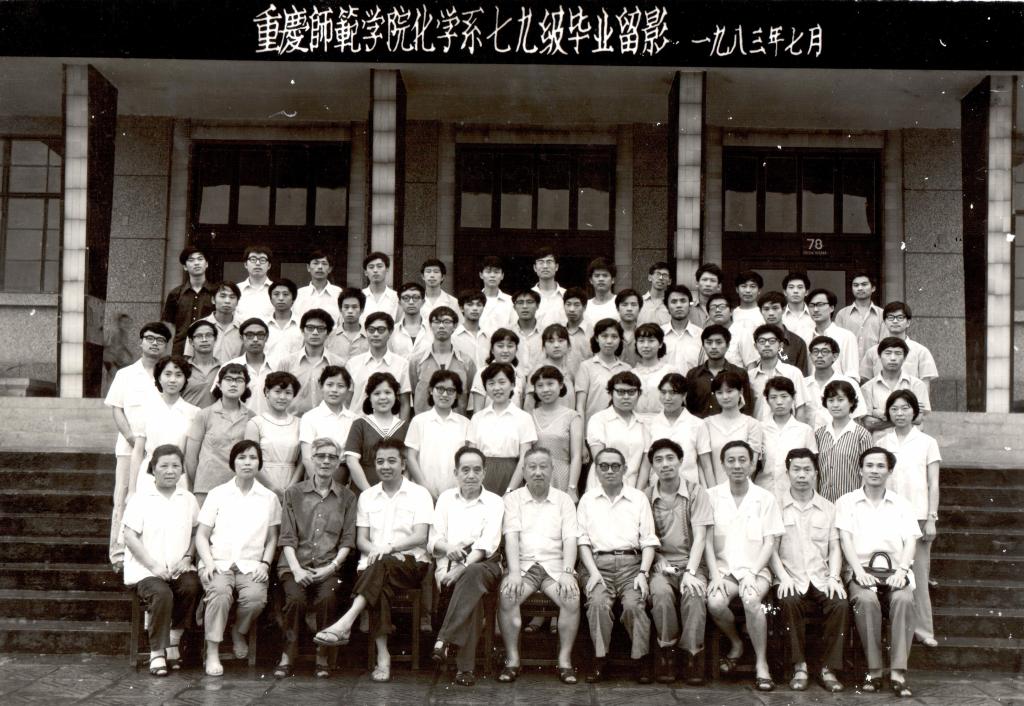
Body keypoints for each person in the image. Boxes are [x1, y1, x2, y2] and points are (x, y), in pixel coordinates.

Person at [313, 439, 434, 684]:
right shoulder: (367, 496)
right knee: (380, 581)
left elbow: (421, 536)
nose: (385, 466)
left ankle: (346, 623)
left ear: (403, 464)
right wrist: (380, 552)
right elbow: (362, 540)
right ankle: (383, 655)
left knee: (380, 568)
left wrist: (390, 548)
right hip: (376, 565)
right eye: (380, 461)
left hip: (410, 563)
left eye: (391, 461)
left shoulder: (420, 494)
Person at [836, 447, 921, 698]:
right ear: (860, 470)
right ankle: (874, 671)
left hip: (895, 570)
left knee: (903, 599)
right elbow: (845, 540)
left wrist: (902, 571)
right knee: (866, 600)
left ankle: (898, 673)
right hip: (861, 570)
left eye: (881, 466)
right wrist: (858, 572)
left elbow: (911, 540)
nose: (875, 471)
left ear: (890, 471)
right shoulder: (846, 502)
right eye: (869, 465)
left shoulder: (901, 504)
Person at [195, 439, 282, 677]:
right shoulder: (218, 494)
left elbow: (272, 538)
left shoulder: (269, 498)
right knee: (220, 593)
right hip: (218, 562)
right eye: (242, 458)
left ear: (259, 463)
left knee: (255, 599)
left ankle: (238, 631)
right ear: (233, 462)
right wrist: (208, 563)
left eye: (253, 458)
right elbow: (201, 535)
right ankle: (212, 652)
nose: (247, 462)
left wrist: (265, 564)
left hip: (251, 565)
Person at [705, 440, 784, 692]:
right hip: (724, 570)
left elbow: (769, 542)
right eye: (731, 460)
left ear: (752, 464)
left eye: (742, 460)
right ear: (723, 464)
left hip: (756, 569)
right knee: (715, 603)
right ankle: (737, 642)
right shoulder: (711, 496)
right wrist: (715, 575)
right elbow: (706, 541)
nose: (737, 465)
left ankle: (761, 663)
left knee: (751, 600)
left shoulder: (765, 498)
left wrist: (752, 572)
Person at [498, 447, 582, 685]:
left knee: (572, 598)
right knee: (507, 594)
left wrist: (568, 572)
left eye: (543, 466)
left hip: (555, 567)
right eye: (532, 467)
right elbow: (511, 537)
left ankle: (564, 661)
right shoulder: (513, 499)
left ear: (552, 470)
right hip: (524, 566)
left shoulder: (564, 500)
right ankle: (512, 660)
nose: (538, 472)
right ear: (524, 471)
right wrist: (514, 572)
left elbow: (570, 539)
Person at [274, 437, 356, 679]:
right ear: (312, 459)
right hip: (294, 566)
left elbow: (348, 540)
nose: (326, 461)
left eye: (332, 457)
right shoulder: (293, 493)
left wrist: (331, 567)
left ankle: (323, 656)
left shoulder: (347, 497)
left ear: (339, 462)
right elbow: (287, 537)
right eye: (321, 456)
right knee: (295, 600)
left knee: (327, 599)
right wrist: (297, 570)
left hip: (329, 567)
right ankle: (288, 655)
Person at [576, 448, 660, 683]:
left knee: (634, 605)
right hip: (597, 565)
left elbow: (648, 540)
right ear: (596, 470)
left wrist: (643, 573)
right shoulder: (588, 500)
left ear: (624, 469)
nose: (610, 471)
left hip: (631, 566)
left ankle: (641, 660)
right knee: (597, 603)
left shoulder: (638, 498)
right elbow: (582, 541)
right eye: (603, 466)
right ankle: (599, 659)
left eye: (615, 466)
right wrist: (593, 573)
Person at [769, 448, 848, 693]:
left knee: (840, 603)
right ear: (788, 473)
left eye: (807, 470)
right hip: (789, 575)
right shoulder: (776, 506)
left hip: (821, 576)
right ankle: (800, 666)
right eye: (796, 469)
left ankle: (828, 668)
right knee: (789, 600)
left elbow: (835, 548)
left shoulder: (829, 508)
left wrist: (834, 577)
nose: (801, 475)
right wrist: (783, 577)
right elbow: (771, 549)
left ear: (815, 473)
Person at [121, 444, 202, 677]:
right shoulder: (141, 499)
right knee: (162, 593)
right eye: (164, 466)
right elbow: (129, 536)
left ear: (182, 470)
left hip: (178, 567)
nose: (170, 471)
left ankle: (174, 641)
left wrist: (188, 557)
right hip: (146, 570)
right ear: (153, 469)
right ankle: (157, 652)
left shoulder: (188, 499)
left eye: (175, 466)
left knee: (192, 586)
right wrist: (154, 566)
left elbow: (197, 532)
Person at [428, 447, 504, 687]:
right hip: (449, 563)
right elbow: (434, 539)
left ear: (484, 473)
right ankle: (465, 669)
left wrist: (461, 567)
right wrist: (449, 547)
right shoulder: (445, 499)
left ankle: (443, 638)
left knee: (471, 573)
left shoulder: (495, 502)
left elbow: (487, 544)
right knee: (472, 592)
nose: (471, 475)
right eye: (465, 470)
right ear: (456, 473)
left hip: (485, 564)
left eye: (477, 470)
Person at [645, 439, 714, 685]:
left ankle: (693, 654)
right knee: (661, 594)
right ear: (652, 466)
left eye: (670, 458)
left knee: (694, 594)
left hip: (691, 562)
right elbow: (645, 537)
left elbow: (701, 537)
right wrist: (659, 559)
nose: (665, 464)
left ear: (681, 461)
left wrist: (690, 572)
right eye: (658, 460)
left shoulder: (696, 492)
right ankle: (667, 651)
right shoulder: (646, 496)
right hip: (661, 564)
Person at [878, 390, 941, 649]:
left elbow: (933, 483)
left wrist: (931, 518)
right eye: (894, 409)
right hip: (888, 516)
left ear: (914, 411)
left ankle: (924, 630)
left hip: (918, 517)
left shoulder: (927, 442)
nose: (900, 413)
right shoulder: (882, 442)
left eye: (905, 408)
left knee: (919, 575)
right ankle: (893, 629)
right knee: (890, 573)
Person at [105, 320, 168, 567]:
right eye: (150, 338)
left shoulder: (169, 374)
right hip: (128, 448)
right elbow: (117, 409)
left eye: (160, 340)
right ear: (141, 342)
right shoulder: (126, 375)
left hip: (160, 451)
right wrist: (131, 437)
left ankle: (147, 553)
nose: (154, 344)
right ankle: (118, 553)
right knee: (123, 496)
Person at [129, 355, 200, 497]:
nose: (173, 380)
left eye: (178, 375)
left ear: (185, 379)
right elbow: (137, 452)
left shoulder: (194, 413)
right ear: (159, 378)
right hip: (149, 474)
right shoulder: (146, 409)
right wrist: (131, 490)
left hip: (179, 475)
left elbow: (191, 456)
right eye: (167, 374)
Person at [185, 363, 255, 504]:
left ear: (245, 385)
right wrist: (199, 483)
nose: (233, 384)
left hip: (239, 489)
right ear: (219, 384)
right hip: (207, 488)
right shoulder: (204, 415)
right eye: (228, 379)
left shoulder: (252, 417)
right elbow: (191, 458)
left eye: (239, 380)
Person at [467, 362, 537, 494]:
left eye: (502, 382)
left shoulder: (524, 418)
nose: (496, 388)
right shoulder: (477, 418)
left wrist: (510, 490)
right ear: (485, 387)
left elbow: (525, 458)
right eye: (491, 383)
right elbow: (471, 456)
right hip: (481, 476)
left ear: (512, 384)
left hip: (512, 475)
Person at [406, 370, 471, 499]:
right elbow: (411, 457)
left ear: (457, 395)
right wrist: (424, 486)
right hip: (422, 492)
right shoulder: (418, 421)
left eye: (451, 390)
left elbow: (469, 460)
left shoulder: (465, 424)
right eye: (440, 389)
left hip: (456, 493)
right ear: (431, 390)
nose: (445, 394)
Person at [585, 371, 651, 491]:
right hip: (602, 485)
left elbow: (645, 464)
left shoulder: (644, 423)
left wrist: (638, 492)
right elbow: (600, 460)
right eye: (620, 392)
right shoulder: (599, 419)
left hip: (633, 486)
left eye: (631, 392)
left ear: (639, 394)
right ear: (611, 393)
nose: (626, 397)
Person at [344, 372, 408, 491]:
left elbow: (408, 465)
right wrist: (369, 493)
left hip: (397, 494)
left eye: (388, 392)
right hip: (363, 492)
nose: (382, 397)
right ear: (369, 398)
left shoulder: (405, 427)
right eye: (377, 393)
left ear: (395, 396)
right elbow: (351, 461)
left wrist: (400, 491)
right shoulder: (360, 424)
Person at [527, 366, 584, 499]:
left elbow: (576, 456)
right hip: (535, 475)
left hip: (562, 477)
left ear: (561, 385)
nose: (545, 389)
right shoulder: (529, 416)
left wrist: (572, 487)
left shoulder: (572, 416)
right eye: (540, 385)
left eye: (550, 384)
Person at [647, 373, 713, 487]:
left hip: (689, 488)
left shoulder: (697, 424)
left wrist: (713, 492)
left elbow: (706, 465)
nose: (667, 398)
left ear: (684, 395)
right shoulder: (651, 424)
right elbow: (646, 464)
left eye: (673, 393)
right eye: (663, 392)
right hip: (658, 488)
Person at [275, 309, 345, 416]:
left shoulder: (338, 364)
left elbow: (343, 397)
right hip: (294, 421)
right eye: (310, 328)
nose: (315, 332)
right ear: (302, 330)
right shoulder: (286, 363)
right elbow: (277, 395)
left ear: (327, 333)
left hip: (327, 421)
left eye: (320, 329)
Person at [244, 371, 302, 498]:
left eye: (288, 393)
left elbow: (301, 462)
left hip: (291, 484)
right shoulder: (255, 423)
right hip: (261, 483)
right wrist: (272, 487)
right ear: (267, 392)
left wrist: (292, 486)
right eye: (277, 391)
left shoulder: (300, 423)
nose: (282, 397)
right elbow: (250, 459)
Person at [758, 377, 817, 504]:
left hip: (795, 495)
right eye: (773, 397)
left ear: (793, 398)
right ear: (767, 400)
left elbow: (812, 469)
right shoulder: (759, 428)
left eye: (784, 396)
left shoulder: (805, 430)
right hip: (763, 492)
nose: (779, 402)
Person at [346, 312, 412, 419]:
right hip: (358, 423)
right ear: (366, 332)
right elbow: (346, 401)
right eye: (371, 330)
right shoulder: (353, 364)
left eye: (381, 330)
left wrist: (401, 427)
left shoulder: (402, 364)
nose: (375, 334)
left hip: (390, 426)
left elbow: (405, 403)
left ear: (390, 332)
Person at [815, 380, 872, 503]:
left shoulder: (862, 435)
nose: (835, 405)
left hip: (851, 504)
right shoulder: (819, 434)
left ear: (851, 402)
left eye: (840, 400)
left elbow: (867, 472)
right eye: (831, 400)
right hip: (824, 502)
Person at [298, 365, 358, 483]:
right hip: (315, 475)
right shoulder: (310, 417)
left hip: (345, 476)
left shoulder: (354, 419)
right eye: (329, 385)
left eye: (340, 386)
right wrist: (320, 485)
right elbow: (307, 458)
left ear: (348, 389)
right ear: (321, 386)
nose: (334, 390)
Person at [410, 306, 475, 414]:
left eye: (446, 322)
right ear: (430, 325)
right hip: (425, 421)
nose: (441, 326)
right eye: (436, 322)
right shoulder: (417, 361)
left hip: (456, 420)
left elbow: (468, 393)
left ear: (455, 326)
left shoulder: (466, 362)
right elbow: (413, 392)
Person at [704, 370, 763, 487]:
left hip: (743, 489)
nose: (725, 397)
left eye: (729, 391)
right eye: (719, 392)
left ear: (740, 391)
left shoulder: (752, 424)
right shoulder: (706, 424)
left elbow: (752, 465)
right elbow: (706, 466)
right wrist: (714, 491)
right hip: (713, 489)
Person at [860, 337, 931, 434]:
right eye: (888, 353)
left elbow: (918, 419)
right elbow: (868, 424)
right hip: (879, 442)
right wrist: (906, 415)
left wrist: (881, 414)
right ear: (880, 356)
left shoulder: (917, 385)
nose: (893, 358)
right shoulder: (867, 388)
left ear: (905, 357)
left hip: (910, 441)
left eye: (898, 353)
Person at [858, 302, 938, 386]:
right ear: (884, 322)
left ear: (908, 322)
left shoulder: (921, 351)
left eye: (900, 317)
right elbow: (866, 384)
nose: (895, 321)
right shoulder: (872, 352)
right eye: (890, 317)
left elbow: (924, 386)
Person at [685, 324, 755, 417]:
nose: (713, 347)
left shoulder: (739, 374)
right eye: (709, 342)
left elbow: (746, 409)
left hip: (731, 425)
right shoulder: (693, 375)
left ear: (727, 345)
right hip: (699, 425)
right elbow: (687, 409)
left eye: (719, 342)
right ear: (703, 345)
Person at [575, 318, 632, 426]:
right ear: (597, 338)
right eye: (604, 336)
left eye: (614, 336)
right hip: (593, 428)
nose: (609, 341)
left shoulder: (627, 369)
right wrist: (581, 433)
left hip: (620, 428)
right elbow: (580, 406)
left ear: (620, 339)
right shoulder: (586, 367)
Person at [748, 323, 809, 423]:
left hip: (787, 430)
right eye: (762, 341)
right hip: (758, 430)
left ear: (780, 345)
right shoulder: (750, 377)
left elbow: (801, 408)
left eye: (772, 341)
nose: (767, 345)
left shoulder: (793, 373)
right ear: (755, 346)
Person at [162, 246, 216, 355]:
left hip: (209, 349)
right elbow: (169, 325)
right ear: (185, 267)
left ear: (206, 264)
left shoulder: (215, 293)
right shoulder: (175, 294)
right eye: (191, 260)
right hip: (180, 351)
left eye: (200, 259)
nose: (196, 263)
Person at [804, 335, 865, 428]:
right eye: (815, 352)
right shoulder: (802, 384)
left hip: (839, 435)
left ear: (835, 356)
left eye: (824, 351)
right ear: (810, 356)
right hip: (808, 436)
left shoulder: (849, 383)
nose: (819, 356)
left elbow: (857, 417)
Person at [222, 317, 275, 416]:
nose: (255, 340)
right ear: (241, 338)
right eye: (249, 335)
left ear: (266, 337)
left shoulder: (278, 366)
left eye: (260, 335)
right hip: (239, 423)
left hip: (271, 423)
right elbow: (218, 398)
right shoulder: (229, 367)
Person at [184, 281, 242, 363]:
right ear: (213, 300)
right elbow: (188, 358)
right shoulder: (197, 327)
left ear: (237, 302)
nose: (227, 301)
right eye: (223, 296)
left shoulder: (243, 328)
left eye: (232, 297)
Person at [806, 288, 859, 377]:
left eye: (820, 305)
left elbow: (852, 373)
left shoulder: (846, 336)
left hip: (838, 385)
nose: (815, 309)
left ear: (832, 308)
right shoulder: (805, 336)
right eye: (811, 305)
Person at [523, 324, 577, 410]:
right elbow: (529, 405)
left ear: (568, 345)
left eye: (561, 340)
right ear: (544, 347)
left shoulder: (570, 371)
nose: (556, 345)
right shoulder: (539, 370)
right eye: (551, 341)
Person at [469, 328, 525, 410]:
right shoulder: (482, 373)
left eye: (510, 346)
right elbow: (477, 411)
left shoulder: (520, 376)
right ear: (492, 350)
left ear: (516, 350)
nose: (505, 350)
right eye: (500, 346)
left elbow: (521, 408)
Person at [834, 272, 885, 361]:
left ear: (873, 288)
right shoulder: (842, 314)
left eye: (864, 284)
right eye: (856, 285)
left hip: (874, 363)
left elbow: (885, 343)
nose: (860, 288)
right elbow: (837, 343)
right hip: (849, 363)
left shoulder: (882, 314)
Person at [758, 291, 810, 374]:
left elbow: (802, 376)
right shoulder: (754, 340)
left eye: (775, 308)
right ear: (761, 311)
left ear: (783, 309)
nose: (771, 313)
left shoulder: (797, 342)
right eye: (766, 309)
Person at [631, 323, 672, 421]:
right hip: (636, 422)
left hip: (663, 422)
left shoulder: (670, 371)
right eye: (641, 341)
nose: (646, 345)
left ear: (660, 344)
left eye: (651, 341)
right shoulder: (631, 373)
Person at [662, 284, 703, 373]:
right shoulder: (658, 335)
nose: (679, 305)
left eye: (683, 301)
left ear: (690, 305)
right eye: (674, 302)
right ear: (667, 307)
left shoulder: (701, 335)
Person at [294, 250, 342, 324]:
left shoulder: (339, 293)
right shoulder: (298, 294)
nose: (320, 267)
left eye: (324, 263)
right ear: (308, 267)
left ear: (330, 269)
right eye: (316, 263)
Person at [181, 319, 220, 408]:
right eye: (199, 336)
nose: (204, 340)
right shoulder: (182, 368)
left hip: (215, 416)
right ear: (191, 342)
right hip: (187, 416)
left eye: (209, 335)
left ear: (215, 339)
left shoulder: (223, 368)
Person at [389, 282, 431, 362]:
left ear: (423, 302)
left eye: (415, 297)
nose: (411, 302)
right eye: (406, 298)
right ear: (399, 302)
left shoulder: (432, 329)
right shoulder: (392, 331)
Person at [264, 278, 303, 361]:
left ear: (293, 298)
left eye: (285, 294)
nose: (281, 298)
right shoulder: (262, 325)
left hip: (294, 368)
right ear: (271, 299)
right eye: (276, 294)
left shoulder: (302, 325)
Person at [326, 288, 369, 361]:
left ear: (362, 310)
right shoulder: (329, 336)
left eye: (354, 307)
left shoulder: (370, 337)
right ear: (340, 309)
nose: (350, 311)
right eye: (346, 307)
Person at [452, 290, 491, 372]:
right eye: (470, 304)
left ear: (483, 308)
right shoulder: (454, 337)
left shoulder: (489, 336)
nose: (475, 308)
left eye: (479, 305)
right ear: (461, 308)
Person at [531, 247, 568, 329]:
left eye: (549, 262)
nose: (545, 266)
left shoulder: (567, 295)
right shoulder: (527, 296)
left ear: (556, 267)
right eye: (541, 262)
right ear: (535, 268)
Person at [235, 246, 274, 321]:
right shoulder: (236, 289)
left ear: (269, 265)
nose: (258, 263)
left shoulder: (277, 290)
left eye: (262, 260)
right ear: (245, 264)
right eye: (253, 259)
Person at [359, 251, 400, 323]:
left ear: (387, 269)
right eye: (371, 267)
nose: (375, 270)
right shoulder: (358, 296)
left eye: (379, 266)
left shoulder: (396, 297)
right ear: (365, 272)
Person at [103, 313, 139, 391]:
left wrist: (130, 354)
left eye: (128, 322)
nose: (126, 325)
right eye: (124, 322)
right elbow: (107, 344)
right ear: (119, 324)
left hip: (116, 359)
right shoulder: (115, 333)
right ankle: (109, 393)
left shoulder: (125, 334)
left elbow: (123, 346)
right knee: (114, 376)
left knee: (117, 376)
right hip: (109, 358)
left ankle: (111, 391)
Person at [510, 289, 544, 372]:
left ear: (537, 306)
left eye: (529, 302)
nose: (525, 306)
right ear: (514, 307)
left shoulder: (546, 333)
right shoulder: (508, 332)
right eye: (520, 302)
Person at [479, 256, 515, 333]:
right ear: (481, 275)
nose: (492, 275)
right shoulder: (473, 300)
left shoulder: (511, 301)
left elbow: (514, 327)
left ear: (502, 276)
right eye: (488, 272)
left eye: (496, 272)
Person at [582, 257, 619, 330]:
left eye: (605, 275)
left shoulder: (620, 303)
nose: (601, 279)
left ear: (613, 280)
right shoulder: (585, 306)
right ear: (591, 280)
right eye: (597, 276)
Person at [562, 287, 592, 373]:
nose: (571, 309)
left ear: (584, 307)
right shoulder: (558, 331)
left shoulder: (592, 332)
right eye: (568, 304)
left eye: (576, 305)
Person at [781, 271, 814, 345]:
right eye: (791, 287)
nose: (795, 291)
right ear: (785, 292)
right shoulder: (779, 315)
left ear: (806, 292)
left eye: (800, 287)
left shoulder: (815, 315)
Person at [638, 261, 672, 326]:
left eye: (665, 275)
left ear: (669, 281)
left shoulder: (672, 305)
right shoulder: (639, 302)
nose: (661, 278)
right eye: (657, 274)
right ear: (650, 277)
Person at [691, 263, 725, 328]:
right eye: (704, 280)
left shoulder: (725, 310)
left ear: (719, 286)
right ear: (697, 283)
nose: (708, 284)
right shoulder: (688, 308)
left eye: (712, 280)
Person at [616, 288, 643, 366]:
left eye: (633, 305)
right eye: (624, 305)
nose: (629, 309)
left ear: (640, 309)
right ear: (617, 308)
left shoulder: (645, 333)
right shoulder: (609, 333)